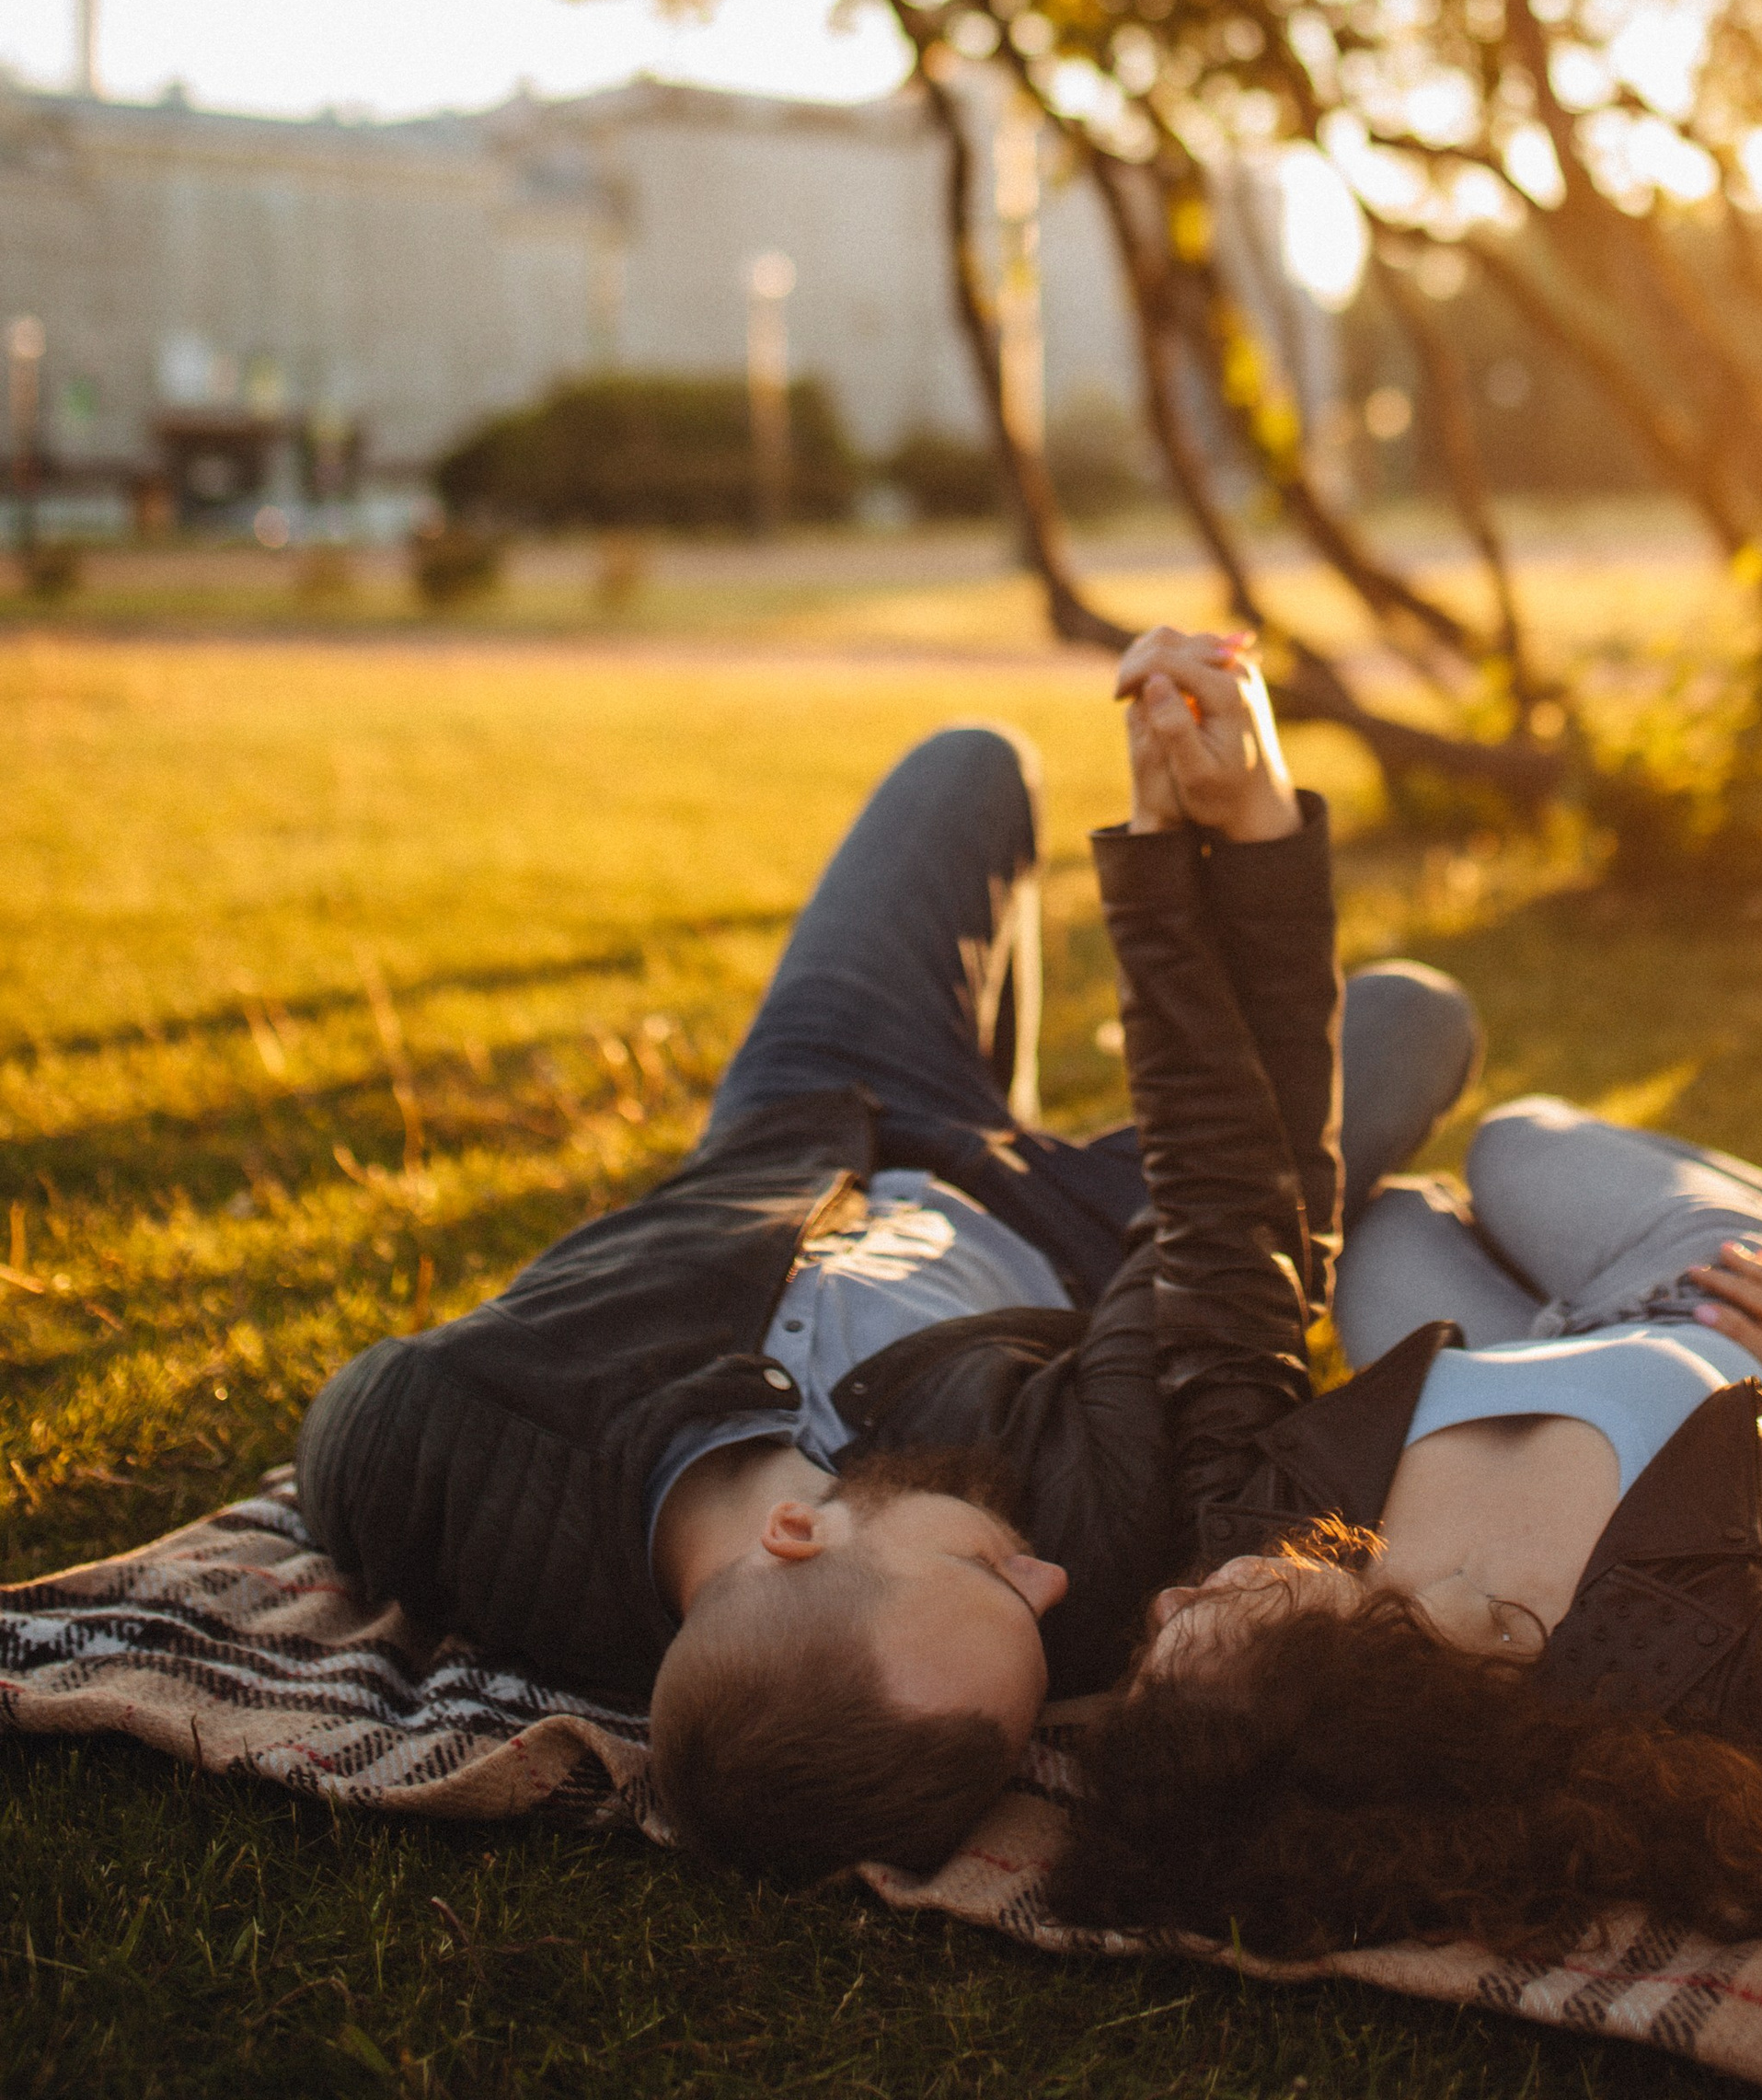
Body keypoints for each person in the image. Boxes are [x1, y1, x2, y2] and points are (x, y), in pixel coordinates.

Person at [294, 629, 1473, 1886]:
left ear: (797, 1533)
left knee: (972, 764)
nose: (1055, 1571)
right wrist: (1229, 834)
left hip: (822, 1115)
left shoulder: (437, 1447)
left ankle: (979, 1072)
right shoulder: (1095, 1555)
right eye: (1036, 1601)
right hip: (1080, 1226)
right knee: (1410, 1021)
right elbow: (1247, 1190)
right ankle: (1032, 1103)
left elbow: (360, 1424)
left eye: (990, 1571)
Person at [1047, 648, 1762, 1961]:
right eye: (1202, 1626)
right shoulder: (1703, 1660)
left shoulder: (1257, 1526)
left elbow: (1221, 1209)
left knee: (1393, 1211)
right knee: (1524, 1142)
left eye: (1144, 1651)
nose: (1170, 1599)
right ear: (1357, 1702)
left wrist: (1178, 839)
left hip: (1482, 1351)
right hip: (1716, 1321)